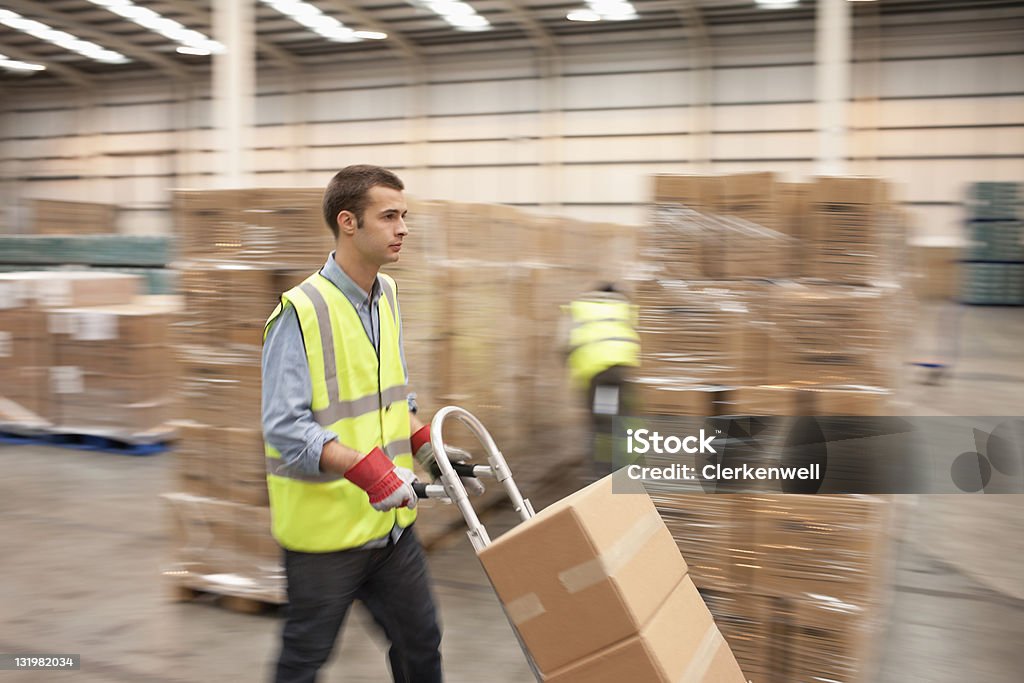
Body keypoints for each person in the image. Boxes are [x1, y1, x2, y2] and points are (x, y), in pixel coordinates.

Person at [262, 165, 473, 683]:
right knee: (303, 663)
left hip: (390, 528)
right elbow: (285, 428)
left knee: (421, 642)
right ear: (348, 222)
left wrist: (429, 449)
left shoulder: (389, 297)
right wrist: (369, 472)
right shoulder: (300, 310)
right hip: (326, 534)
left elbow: (393, 399)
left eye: (405, 216)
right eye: (389, 216)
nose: (403, 228)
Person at [562, 283, 641, 480]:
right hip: (621, 373)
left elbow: (563, 344)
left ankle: (602, 474)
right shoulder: (624, 306)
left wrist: (575, 369)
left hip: (598, 375)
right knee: (624, 420)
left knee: (602, 423)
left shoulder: (579, 307)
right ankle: (627, 469)